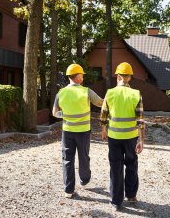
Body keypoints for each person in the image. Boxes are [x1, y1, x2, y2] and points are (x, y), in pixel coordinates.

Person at [53, 63, 103, 198]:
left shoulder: (61, 93)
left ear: (69, 76)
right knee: (84, 157)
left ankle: (68, 190)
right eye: (82, 76)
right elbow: (100, 103)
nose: (83, 78)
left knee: (67, 159)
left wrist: (66, 115)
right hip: (83, 131)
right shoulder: (86, 91)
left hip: (68, 131)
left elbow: (54, 113)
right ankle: (84, 180)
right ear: (79, 77)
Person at [100, 62, 145, 211]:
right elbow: (140, 120)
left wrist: (103, 130)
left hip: (114, 137)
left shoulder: (110, 93)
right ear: (130, 77)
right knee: (131, 164)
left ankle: (116, 201)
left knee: (116, 167)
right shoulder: (136, 94)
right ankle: (131, 195)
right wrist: (141, 140)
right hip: (131, 137)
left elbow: (103, 115)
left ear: (118, 76)